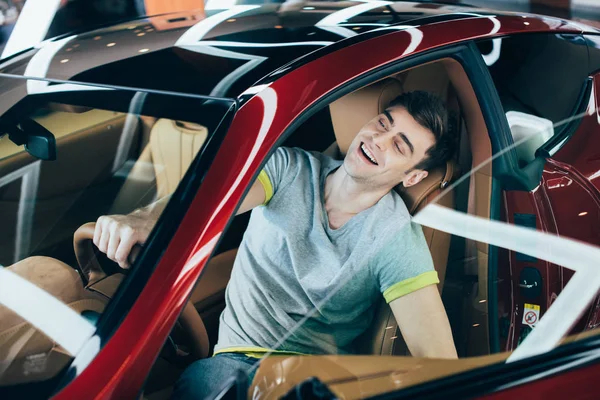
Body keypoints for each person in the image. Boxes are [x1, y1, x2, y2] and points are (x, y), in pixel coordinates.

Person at [93, 91, 458, 399]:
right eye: (383, 123)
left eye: (399, 145)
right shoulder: (288, 169)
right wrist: (146, 218)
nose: (378, 140)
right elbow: (209, 197)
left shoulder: (394, 237)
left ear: (412, 176)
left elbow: (440, 360)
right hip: (230, 364)